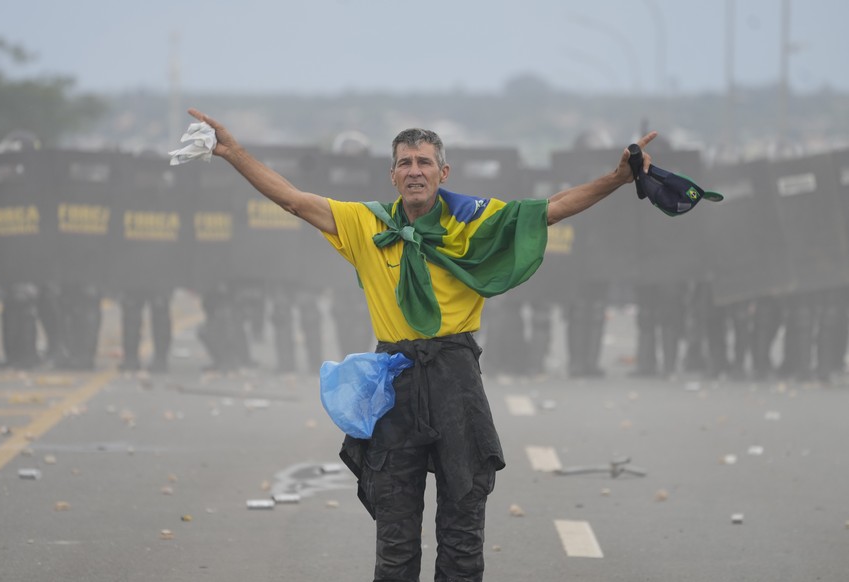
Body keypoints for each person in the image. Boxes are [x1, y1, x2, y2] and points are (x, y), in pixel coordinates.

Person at [187, 107, 656, 582]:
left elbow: (553, 207)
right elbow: (292, 199)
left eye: (424, 162)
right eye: (405, 163)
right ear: (392, 175)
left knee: (463, 529)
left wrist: (617, 179)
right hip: (394, 381)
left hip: (456, 379)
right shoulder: (365, 225)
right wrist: (233, 153)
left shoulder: (473, 221)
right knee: (395, 537)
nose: (415, 171)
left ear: (443, 172)